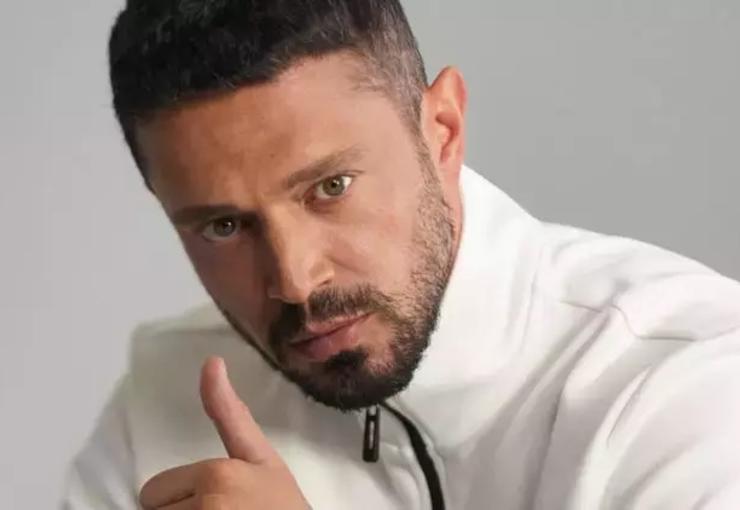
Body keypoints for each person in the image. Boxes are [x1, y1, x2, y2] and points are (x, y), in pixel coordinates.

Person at [63, 1, 740, 509]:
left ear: (442, 130)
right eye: (223, 226)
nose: (295, 281)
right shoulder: (169, 395)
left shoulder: (682, 384)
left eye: (331, 187)